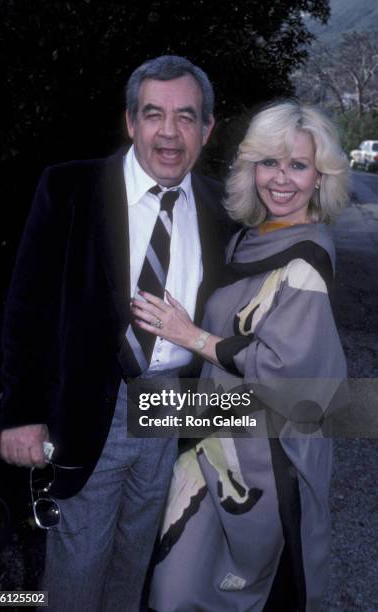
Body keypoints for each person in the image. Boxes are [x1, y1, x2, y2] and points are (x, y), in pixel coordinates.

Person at [0, 55, 230, 611]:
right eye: (154, 115)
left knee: (137, 565)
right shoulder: (70, 188)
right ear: (131, 122)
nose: (169, 133)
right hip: (87, 408)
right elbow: (27, 307)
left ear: (207, 127)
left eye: (186, 116)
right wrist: (21, 412)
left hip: (172, 410)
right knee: (76, 571)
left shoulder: (223, 208)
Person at [132, 100, 349, 611]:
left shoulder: (309, 258)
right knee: (175, 587)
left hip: (263, 461)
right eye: (269, 163)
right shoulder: (250, 239)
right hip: (213, 433)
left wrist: (190, 336)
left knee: (227, 590)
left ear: (321, 177)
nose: (281, 179)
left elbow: (287, 373)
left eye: (298, 165)